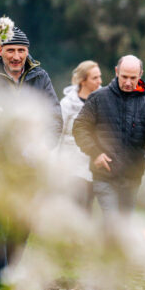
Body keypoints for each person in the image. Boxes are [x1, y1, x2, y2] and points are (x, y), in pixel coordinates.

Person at [0, 26, 62, 290]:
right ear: (0, 51)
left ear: (27, 51)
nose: (16, 56)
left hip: (29, 164)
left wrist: (41, 148)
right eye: (10, 50)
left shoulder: (40, 77)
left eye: (21, 50)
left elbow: (55, 118)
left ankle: (12, 275)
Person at [72, 55, 145, 216]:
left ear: (141, 75)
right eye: (124, 77)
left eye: (133, 78)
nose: (128, 82)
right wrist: (95, 153)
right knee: (112, 222)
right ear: (117, 72)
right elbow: (79, 128)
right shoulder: (98, 98)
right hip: (104, 176)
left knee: (124, 226)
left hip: (132, 178)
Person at [59, 61, 102, 210]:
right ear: (83, 81)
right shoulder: (67, 104)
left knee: (87, 207)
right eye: (95, 78)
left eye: (99, 77)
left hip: (94, 164)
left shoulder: (104, 102)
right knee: (74, 206)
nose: (100, 81)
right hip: (72, 166)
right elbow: (57, 134)